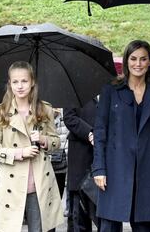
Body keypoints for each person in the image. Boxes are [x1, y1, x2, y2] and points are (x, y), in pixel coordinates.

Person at [93, 40, 150, 232]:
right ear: (126, 61)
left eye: (143, 59)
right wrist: (99, 168)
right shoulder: (111, 90)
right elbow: (100, 131)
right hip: (114, 168)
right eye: (133, 58)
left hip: (147, 168)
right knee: (109, 225)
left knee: (146, 225)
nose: (138, 64)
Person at [0, 61, 64, 231]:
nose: (20, 86)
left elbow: (57, 142)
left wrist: (43, 139)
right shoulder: (0, 112)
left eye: (24, 81)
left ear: (32, 82)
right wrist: (20, 152)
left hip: (39, 184)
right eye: (15, 82)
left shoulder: (44, 110)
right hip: (10, 186)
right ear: (10, 84)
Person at [63, 99, 98, 232]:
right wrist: (89, 133)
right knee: (79, 217)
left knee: (106, 218)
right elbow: (69, 117)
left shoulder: (110, 84)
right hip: (80, 159)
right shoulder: (73, 90)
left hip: (105, 157)